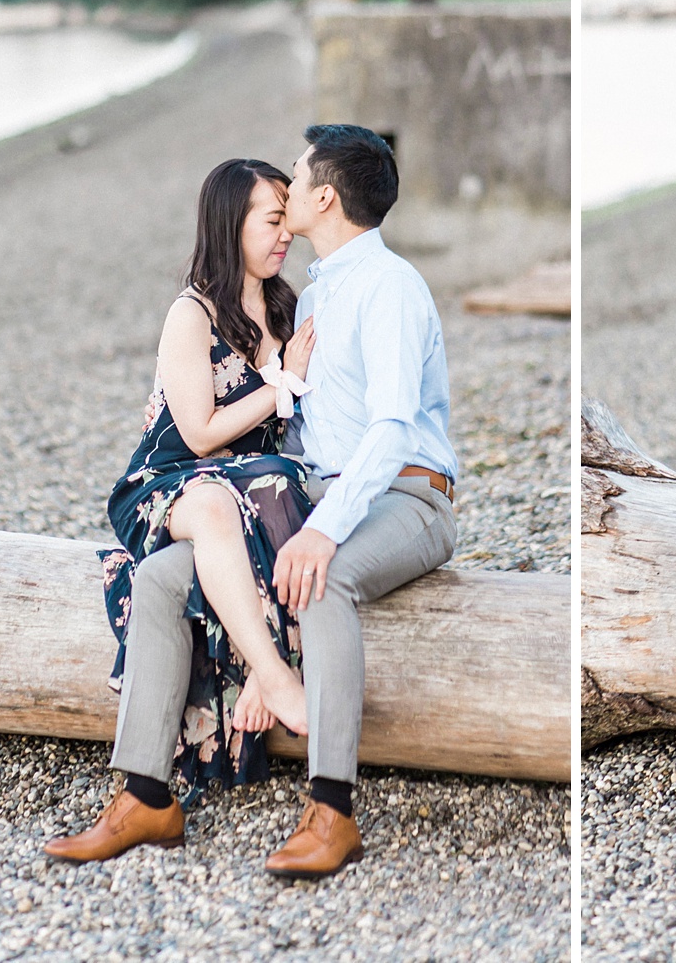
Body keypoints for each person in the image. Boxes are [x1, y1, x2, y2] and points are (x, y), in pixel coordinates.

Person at [49, 125, 458, 880]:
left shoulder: (388, 285)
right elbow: (287, 435)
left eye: (295, 184)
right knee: (162, 579)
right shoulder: (313, 295)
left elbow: (394, 427)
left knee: (322, 576)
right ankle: (145, 793)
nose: (288, 195)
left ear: (323, 197)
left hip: (406, 495)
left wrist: (320, 532)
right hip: (317, 492)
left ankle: (332, 809)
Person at [86, 159, 316, 816]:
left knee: (278, 489)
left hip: (255, 487)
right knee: (222, 501)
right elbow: (201, 431)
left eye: (288, 223)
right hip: (170, 482)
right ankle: (276, 679)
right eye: (273, 222)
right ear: (229, 224)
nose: (285, 236)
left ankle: (256, 682)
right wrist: (281, 386)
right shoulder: (191, 314)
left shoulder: (285, 307)